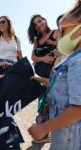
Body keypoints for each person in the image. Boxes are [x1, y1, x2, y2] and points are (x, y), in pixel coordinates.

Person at [28, 0, 81, 149]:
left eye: (62, 31)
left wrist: (45, 128)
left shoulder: (78, 62)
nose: (59, 39)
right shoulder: (70, 61)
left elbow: (78, 108)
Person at [28, 14, 59, 143]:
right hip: (39, 75)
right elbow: (33, 57)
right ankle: (45, 133)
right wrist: (44, 58)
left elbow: (62, 49)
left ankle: (50, 132)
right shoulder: (37, 40)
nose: (39, 24)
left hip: (51, 73)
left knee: (53, 103)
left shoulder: (56, 33)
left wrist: (54, 68)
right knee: (42, 103)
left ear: (45, 20)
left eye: (40, 21)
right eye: (35, 24)